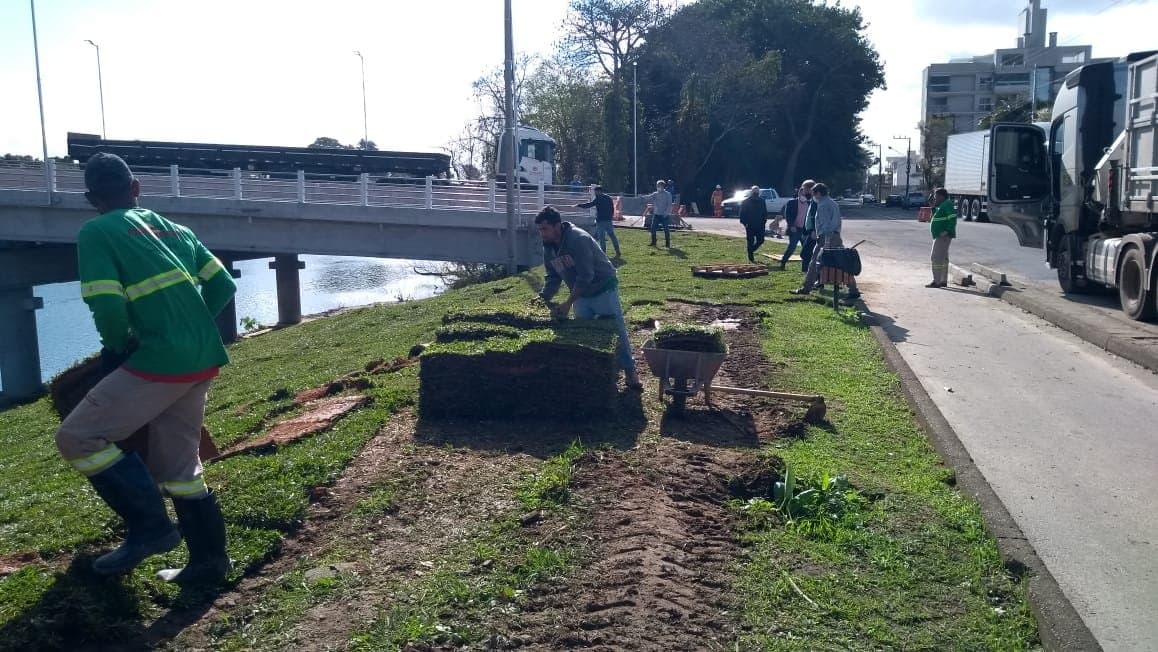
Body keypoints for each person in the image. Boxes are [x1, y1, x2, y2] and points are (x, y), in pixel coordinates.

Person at [54, 152, 236, 584]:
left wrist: (118, 347)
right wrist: (189, 327)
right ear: (136, 188)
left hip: (157, 360)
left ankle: (150, 528)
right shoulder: (175, 229)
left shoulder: (96, 230)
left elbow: (105, 300)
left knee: (77, 438)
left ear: (90, 198)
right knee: (180, 466)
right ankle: (210, 563)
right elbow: (223, 284)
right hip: (201, 358)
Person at [535, 206, 642, 390]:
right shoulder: (548, 248)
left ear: (557, 226)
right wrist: (543, 297)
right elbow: (552, 276)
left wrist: (568, 303)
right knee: (585, 334)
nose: (541, 233)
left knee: (617, 329)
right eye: (539, 230)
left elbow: (586, 276)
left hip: (603, 288)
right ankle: (598, 376)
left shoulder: (578, 239)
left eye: (544, 229)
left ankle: (630, 372)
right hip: (580, 293)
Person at [790, 182, 861, 303]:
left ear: (818, 193)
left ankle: (806, 288)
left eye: (813, 194)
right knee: (841, 263)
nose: (812, 196)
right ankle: (853, 290)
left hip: (827, 237)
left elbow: (826, 224)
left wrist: (824, 238)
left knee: (815, 263)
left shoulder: (823, 205)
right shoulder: (832, 203)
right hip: (834, 236)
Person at [576, 184, 620, 258]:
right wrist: (611, 217)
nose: (595, 193)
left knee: (602, 238)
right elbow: (612, 208)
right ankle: (617, 251)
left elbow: (589, 205)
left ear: (599, 191)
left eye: (595, 192)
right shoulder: (608, 198)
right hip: (608, 220)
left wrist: (579, 205)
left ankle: (603, 254)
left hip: (600, 221)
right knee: (612, 236)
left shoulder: (598, 199)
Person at [780, 180, 815, 271]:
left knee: (806, 250)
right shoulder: (792, 202)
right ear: (801, 190)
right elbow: (787, 215)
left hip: (805, 230)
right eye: (806, 190)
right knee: (792, 247)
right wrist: (791, 226)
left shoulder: (811, 203)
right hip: (795, 229)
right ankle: (783, 262)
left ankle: (805, 269)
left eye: (810, 190)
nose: (807, 192)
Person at [927, 187, 957, 288]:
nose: (935, 199)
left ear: (941, 196)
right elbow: (936, 217)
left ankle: (937, 281)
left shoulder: (947, 204)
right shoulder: (942, 205)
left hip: (943, 236)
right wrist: (932, 207)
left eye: (936, 196)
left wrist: (946, 231)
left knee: (935, 257)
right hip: (940, 236)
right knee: (943, 258)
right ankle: (943, 280)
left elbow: (952, 219)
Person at [739, 185, 768, 263]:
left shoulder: (762, 201)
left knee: (761, 240)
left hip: (760, 225)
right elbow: (742, 214)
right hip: (750, 225)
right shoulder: (746, 202)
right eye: (754, 191)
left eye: (757, 191)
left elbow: (765, 212)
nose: (756, 193)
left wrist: (764, 221)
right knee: (750, 241)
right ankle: (751, 258)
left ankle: (751, 250)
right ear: (751, 192)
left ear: (759, 192)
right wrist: (745, 223)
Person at [644, 180, 673, 248]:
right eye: (658, 186)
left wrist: (666, 213)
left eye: (660, 186)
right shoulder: (655, 194)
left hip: (664, 216)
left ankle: (667, 243)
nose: (659, 187)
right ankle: (654, 242)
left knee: (666, 229)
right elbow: (649, 196)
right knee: (653, 228)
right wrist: (642, 197)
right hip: (656, 214)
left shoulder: (668, 194)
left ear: (663, 186)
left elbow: (669, 205)